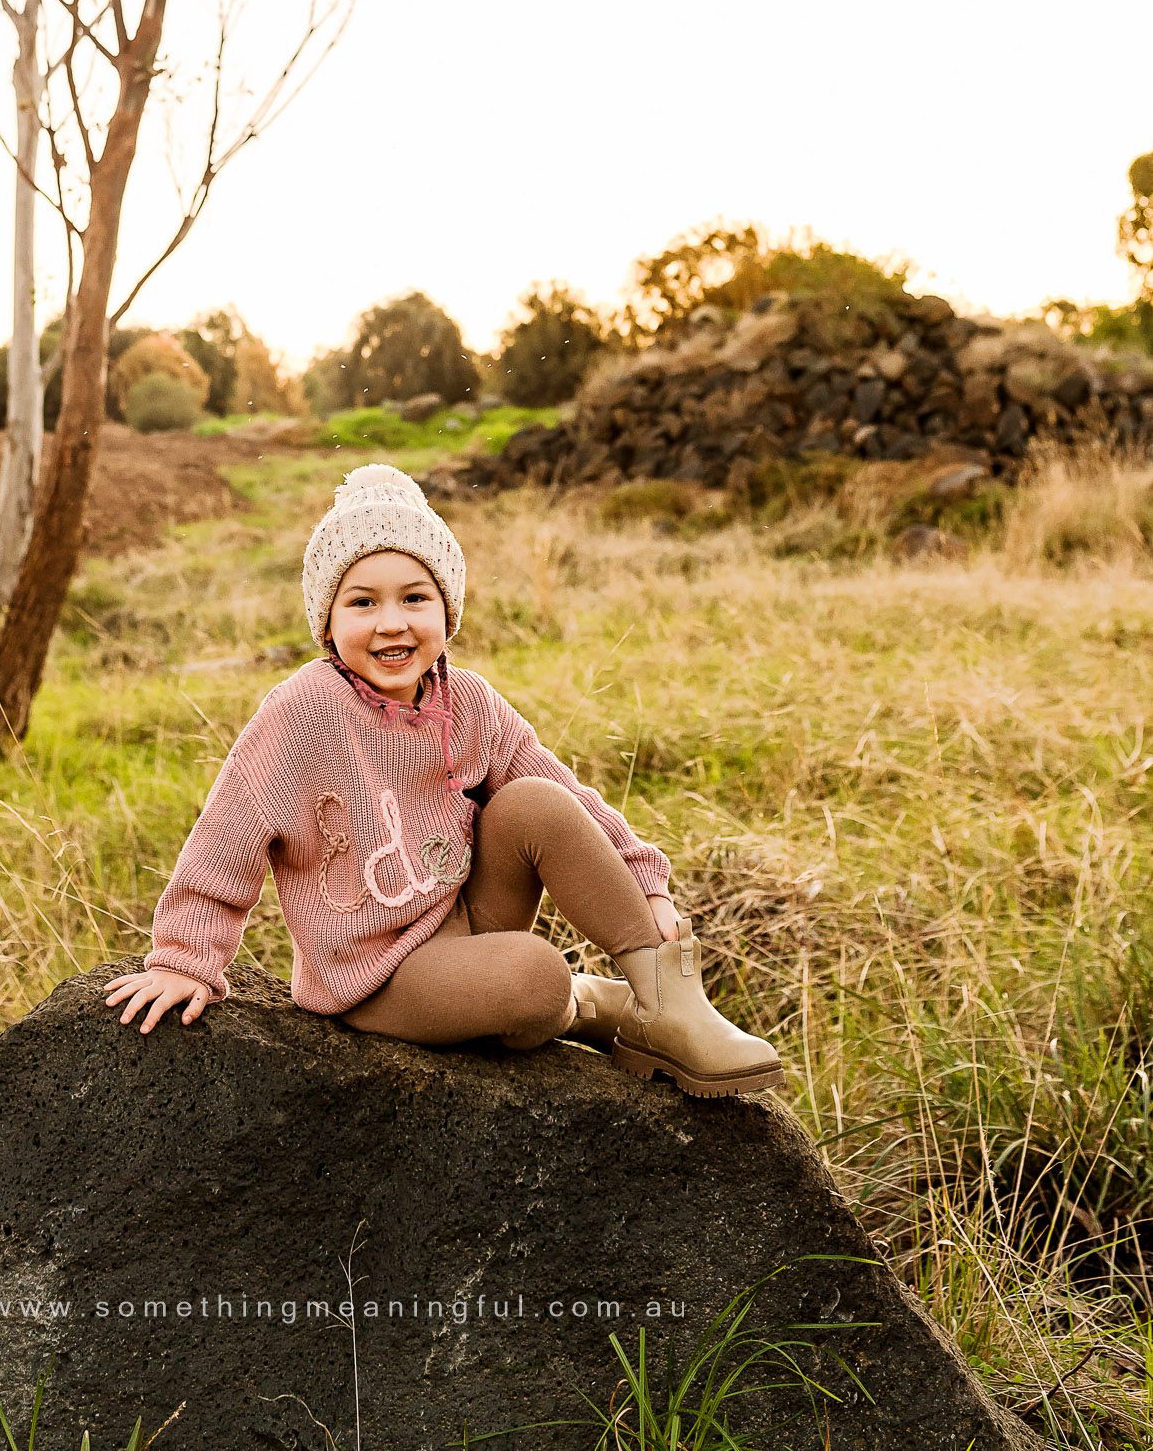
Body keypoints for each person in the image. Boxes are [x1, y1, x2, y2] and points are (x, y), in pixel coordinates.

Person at [103, 464, 782, 1097]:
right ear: (327, 622)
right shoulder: (302, 713)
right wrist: (184, 961)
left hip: (464, 921)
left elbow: (566, 796)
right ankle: (580, 1003)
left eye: (415, 598)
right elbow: (228, 833)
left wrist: (645, 884)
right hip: (376, 977)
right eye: (362, 602)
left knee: (534, 803)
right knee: (537, 979)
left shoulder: (470, 702)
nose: (391, 622)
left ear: (446, 610)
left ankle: (664, 1004)